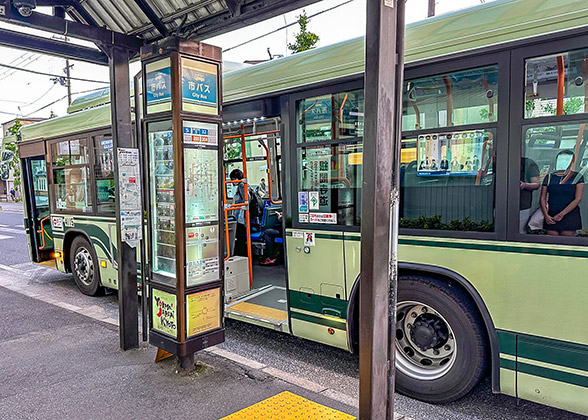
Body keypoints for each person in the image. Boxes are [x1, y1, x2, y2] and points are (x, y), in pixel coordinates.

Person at [540, 150, 584, 236]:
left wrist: (561, 214)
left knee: (566, 241)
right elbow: (542, 198)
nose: (563, 162)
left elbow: (578, 198)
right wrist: (546, 215)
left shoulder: (577, 176)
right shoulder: (549, 177)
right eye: (561, 159)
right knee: (552, 240)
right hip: (552, 213)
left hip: (569, 213)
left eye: (566, 160)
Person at [230, 169, 248, 257]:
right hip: (242, 216)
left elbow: (246, 199)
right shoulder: (244, 185)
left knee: (240, 236)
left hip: (241, 217)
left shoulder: (241, 185)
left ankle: (240, 253)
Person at [520, 157, 540, 233]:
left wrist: (525, 185)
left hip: (521, 206)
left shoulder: (528, 163)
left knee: (520, 233)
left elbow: (536, 184)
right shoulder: (499, 161)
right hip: (500, 205)